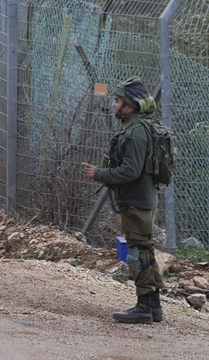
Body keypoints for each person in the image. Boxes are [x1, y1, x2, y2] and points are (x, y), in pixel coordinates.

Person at [82, 76, 164, 324]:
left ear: (129, 105)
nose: (114, 105)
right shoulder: (139, 127)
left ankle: (143, 309)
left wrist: (99, 174)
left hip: (136, 203)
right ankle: (153, 306)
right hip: (143, 200)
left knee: (137, 253)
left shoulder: (134, 133)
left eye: (117, 101)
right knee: (145, 251)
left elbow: (130, 171)